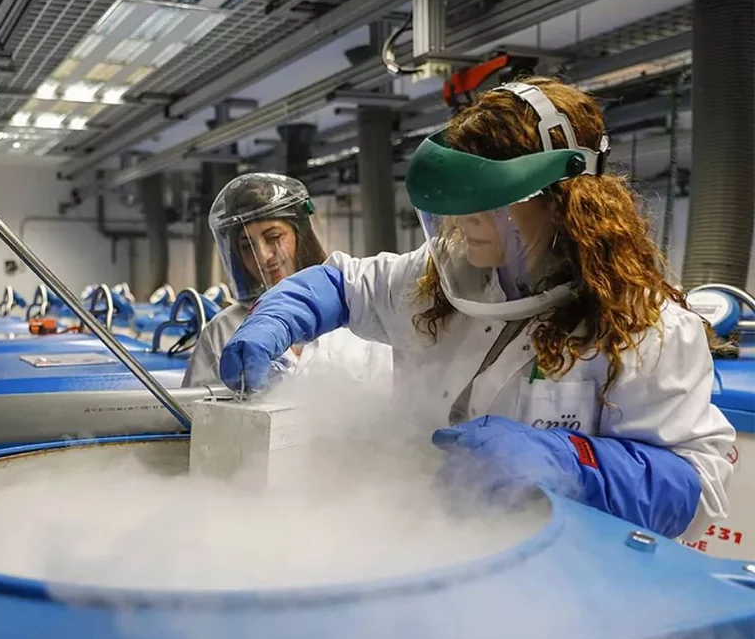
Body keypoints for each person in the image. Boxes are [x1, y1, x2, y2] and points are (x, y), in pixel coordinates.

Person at [217, 78, 735, 541]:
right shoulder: (440, 278)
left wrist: (574, 463)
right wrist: (277, 318)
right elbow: (343, 283)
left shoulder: (647, 328)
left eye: (489, 202)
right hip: (423, 543)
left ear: (561, 199)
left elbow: (696, 484)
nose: (464, 220)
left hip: (557, 574)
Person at [182, 173, 392, 388]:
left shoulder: (357, 308)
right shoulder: (222, 329)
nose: (262, 256)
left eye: (273, 238)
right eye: (247, 246)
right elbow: (192, 413)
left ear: (301, 236)